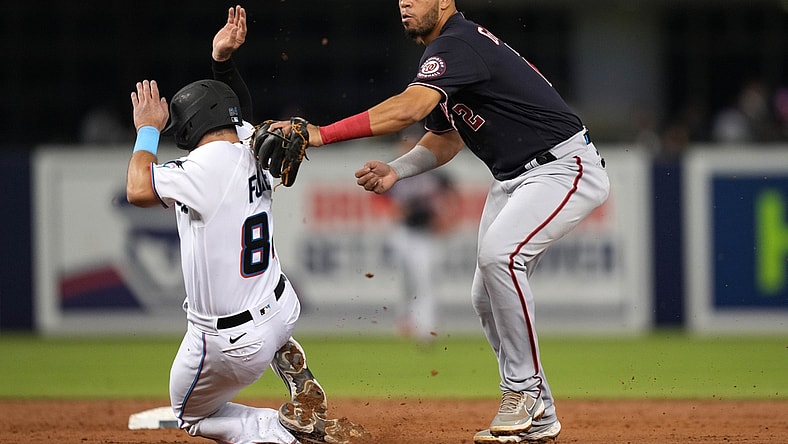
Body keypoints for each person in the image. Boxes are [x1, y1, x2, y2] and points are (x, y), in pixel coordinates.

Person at [270, 1, 610, 442]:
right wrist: (398, 169)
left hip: (563, 166)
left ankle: (523, 391)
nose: (404, 4)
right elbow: (446, 138)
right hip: (515, 178)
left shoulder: (458, 44)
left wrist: (321, 133)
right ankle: (539, 415)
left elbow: (407, 109)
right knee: (484, 295)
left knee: (501, 257)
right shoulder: (450, 54)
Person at [126, 6, 366, 444]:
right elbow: (242, 113)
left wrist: (146, 130)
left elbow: (138, 188)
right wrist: (223, 63)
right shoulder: (255, 147)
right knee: (268, 302)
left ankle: (285, 433)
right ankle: (296, 371)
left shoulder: (203, 166)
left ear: (191, 124)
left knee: (190, 415)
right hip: (281, 309)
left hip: (231, 341)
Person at [386, 126, 460, 343]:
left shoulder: (434, 172)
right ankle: (404, 321)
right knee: (405, 282)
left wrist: (448, 220)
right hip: (402, 232)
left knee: (425, 281)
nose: (408, 145)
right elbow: (381, 201)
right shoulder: (394, 170)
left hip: (426, 235)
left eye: (412, 142)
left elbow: (453, 196)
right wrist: (396, 211)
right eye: (405, 141)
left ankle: (426, 328)